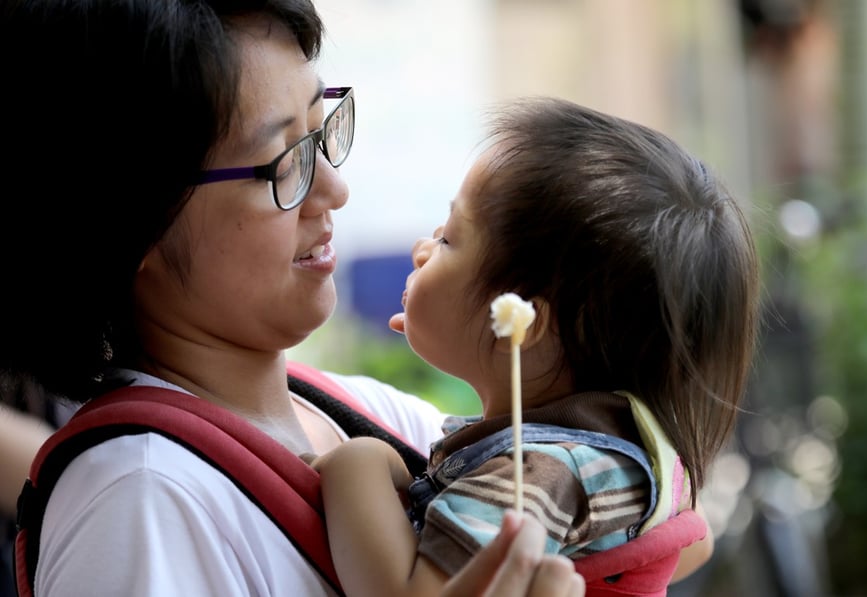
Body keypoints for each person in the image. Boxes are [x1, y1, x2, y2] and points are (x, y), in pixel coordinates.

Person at [0, 0, 586, 595]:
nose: (334, 188)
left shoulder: (369, 415)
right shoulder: (138, 500)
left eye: (320, 128)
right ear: (133, 223)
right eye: (284, 162)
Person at [312, 96, 760, 596]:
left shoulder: (532, 476)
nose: (421, 249)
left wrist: (361, 465)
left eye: (449, 240)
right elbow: (692, 542)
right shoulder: (637, 449)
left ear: (519, 321)